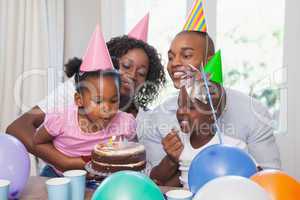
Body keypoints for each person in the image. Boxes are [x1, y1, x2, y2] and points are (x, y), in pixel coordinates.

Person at [6, 23, 165, 174]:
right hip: (59, 175)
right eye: (126, 66)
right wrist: (65, 162)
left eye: (142, 73)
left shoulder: (135, 118)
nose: (132, 75)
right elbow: (17, 128)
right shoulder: (77, 91)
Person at [140, 30, 281, 186]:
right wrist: (173, 162)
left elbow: (269, 181)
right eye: (171, 57)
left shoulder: (254, 113)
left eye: (186, 56)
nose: (174, 64)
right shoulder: (159, 117)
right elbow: (152, 184)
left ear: (208, 63)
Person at [33, 58, 136, 175]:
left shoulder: (125, 123)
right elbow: (38, 142)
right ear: (79, 100)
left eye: (114, 100)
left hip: (100, 178)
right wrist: (64, 162)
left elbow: (134, 151)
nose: (107, 108)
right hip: (59, 174)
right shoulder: (61, 119)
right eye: (98, 101)